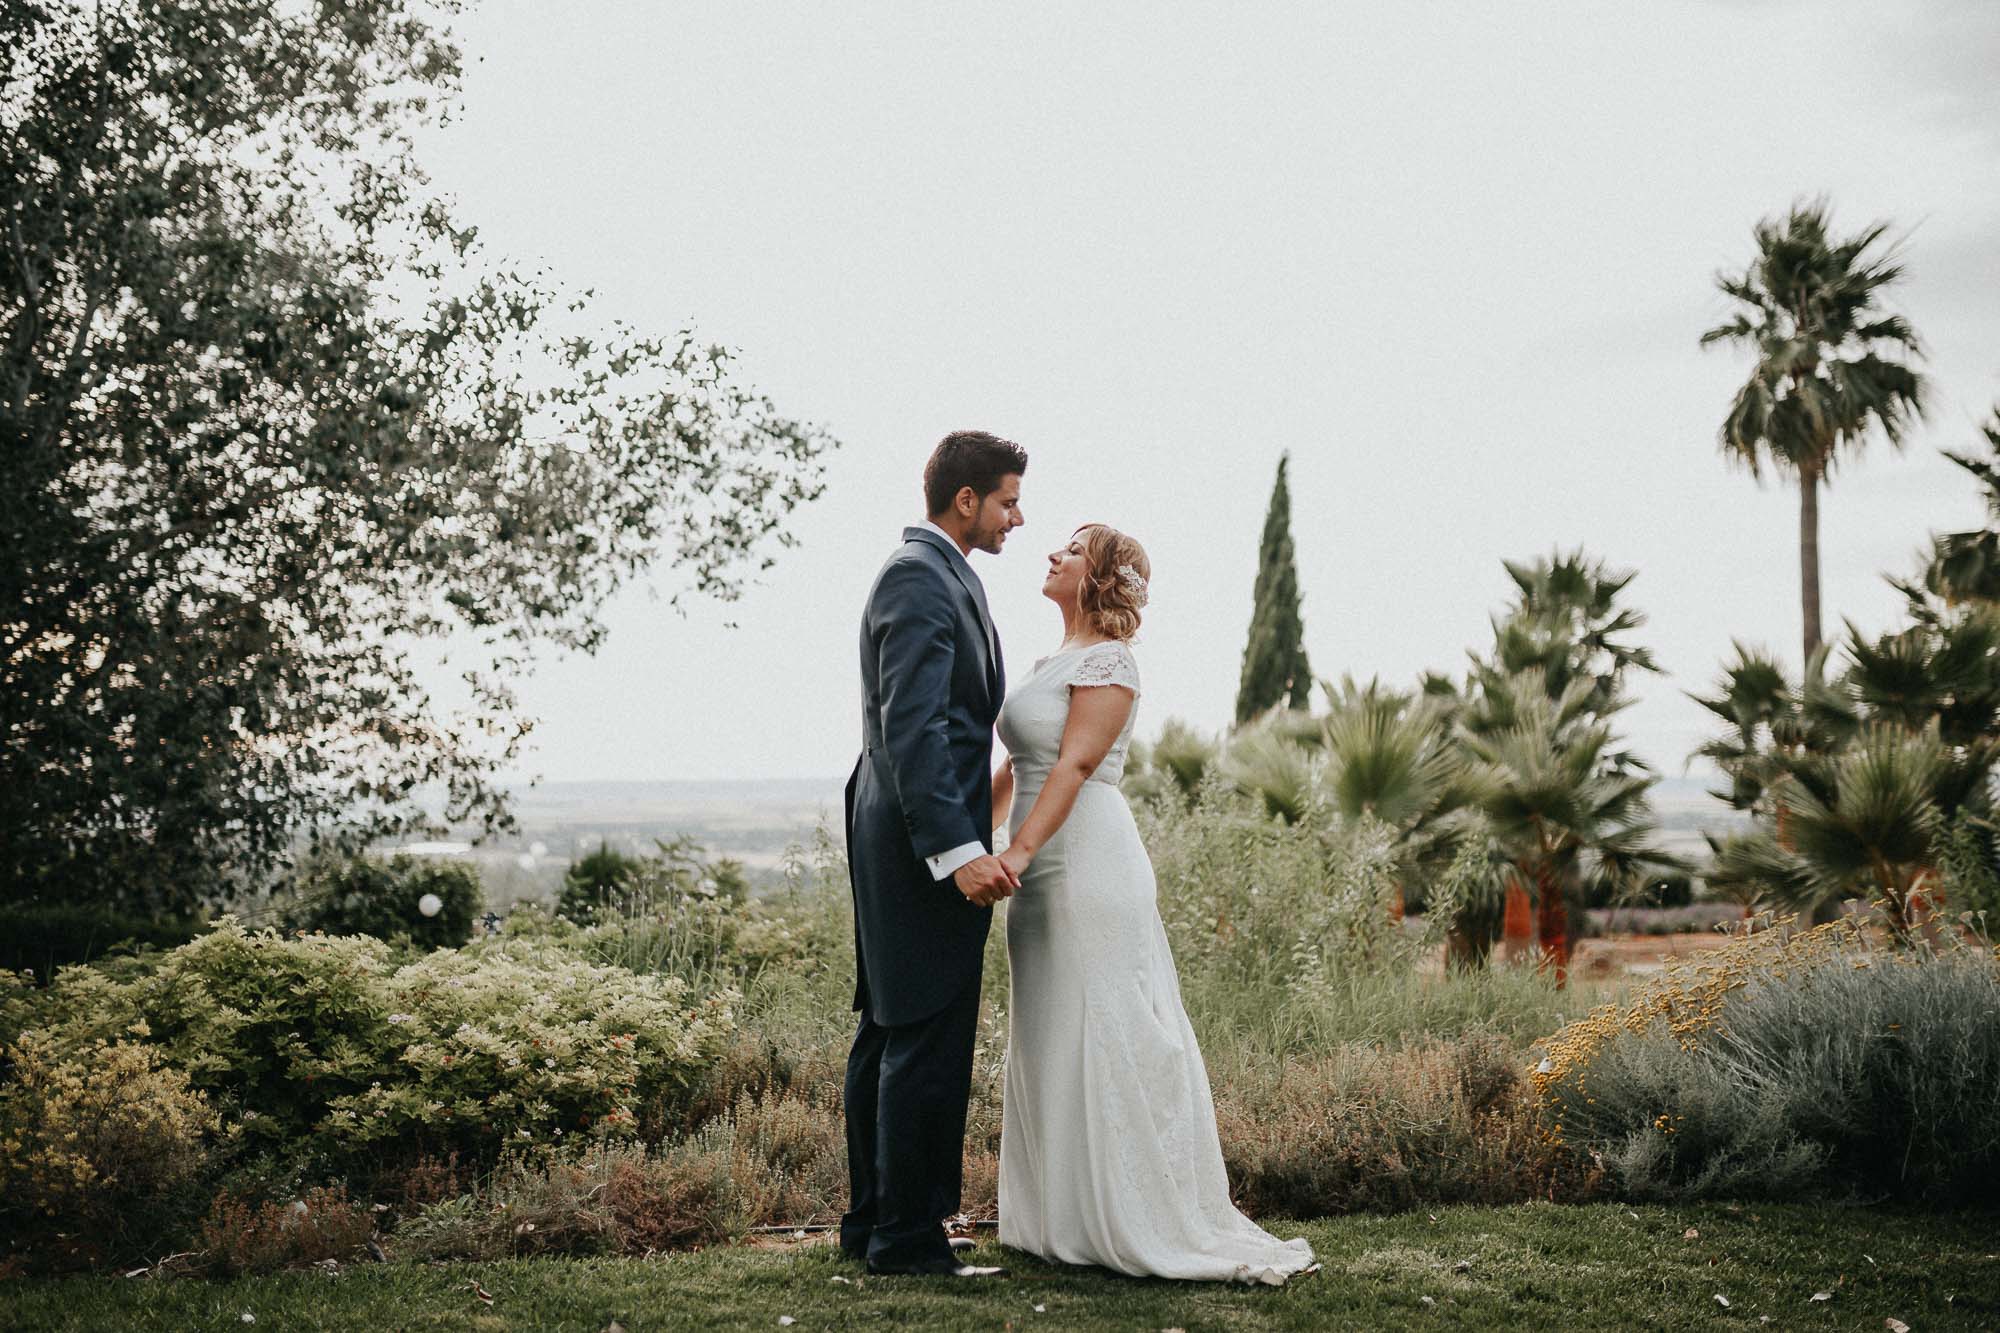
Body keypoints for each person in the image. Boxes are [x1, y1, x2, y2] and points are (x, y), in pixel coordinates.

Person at [993, 523, 1318, 1285]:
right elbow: (1017, 767)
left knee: (1102, 1021)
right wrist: (966, 842)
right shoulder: (1050, 663)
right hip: (1037, 861)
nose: (1053, 553)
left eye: (1073, 550)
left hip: (1084, 859)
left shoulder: (1111, 661)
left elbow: (1075, 765)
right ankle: (1058, 1216)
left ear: (1100, 575)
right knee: (1048, 1025)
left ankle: (1132, 1212)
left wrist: (1017, 852)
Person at [839, 430, 1025, 1278]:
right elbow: (913, 727)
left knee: (892, 1028)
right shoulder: (918, 577)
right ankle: (906, 1239)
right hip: (918, 845)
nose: (1017, 518)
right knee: (921, 1033)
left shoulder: (943, 573)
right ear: (966, 498)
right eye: (1008, 501)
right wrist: (957, 850)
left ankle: (876, 1224)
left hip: (904, 832)